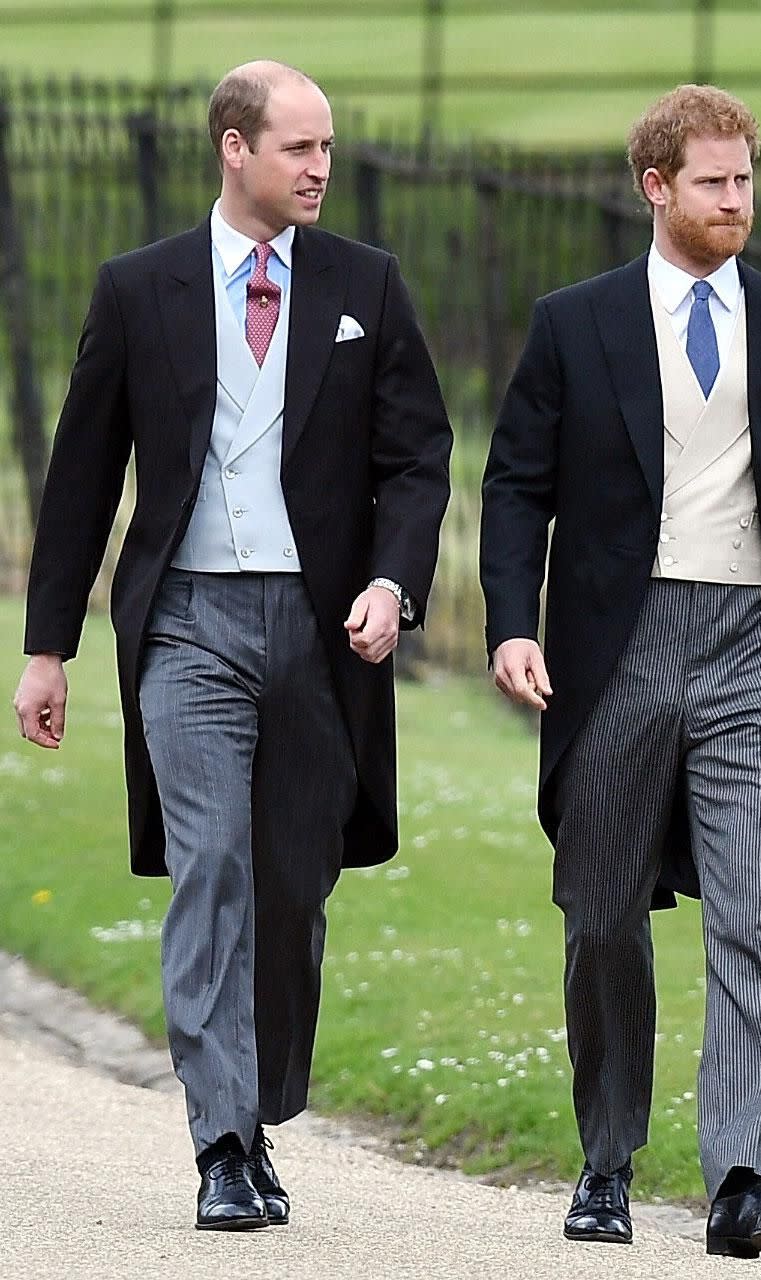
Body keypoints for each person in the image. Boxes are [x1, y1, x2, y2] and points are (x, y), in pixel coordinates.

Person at [14, 60, 452, 1231]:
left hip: (320, 632)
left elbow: (420, 457)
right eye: (299, 148)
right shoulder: (139, 287)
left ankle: (257, 1109)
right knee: (210, 868)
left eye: (326, 149)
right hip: (188, 623)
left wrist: (391, 581)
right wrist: (46, 646)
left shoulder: (368, 284)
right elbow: (82, 476)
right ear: (233, 149)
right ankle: (218, 1139)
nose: (321, 168)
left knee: (291, 887)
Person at [479, 84, 761, 1259]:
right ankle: (606, 1160)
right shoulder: (575, 321)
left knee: (753, 908)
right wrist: (510, 623)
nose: (737, 199)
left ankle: (746, 1173)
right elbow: (513, 484)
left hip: (756, 646)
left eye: (746, 179)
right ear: (658, 187)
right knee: (603, 916)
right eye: (714, 181)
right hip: (618, 645)